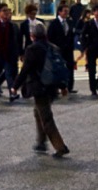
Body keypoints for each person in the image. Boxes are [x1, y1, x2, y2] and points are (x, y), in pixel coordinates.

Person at [20, 21, 70, 157]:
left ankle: (60, 147)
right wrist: (63, 86)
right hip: (52, 86)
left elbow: (25, 69)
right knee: (38, 113)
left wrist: (15, 85)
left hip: (39, 87)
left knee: (46, 117)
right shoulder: (53, 47)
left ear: (32, 35)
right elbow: (58, 68)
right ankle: (41, 142)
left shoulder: (32, 49)